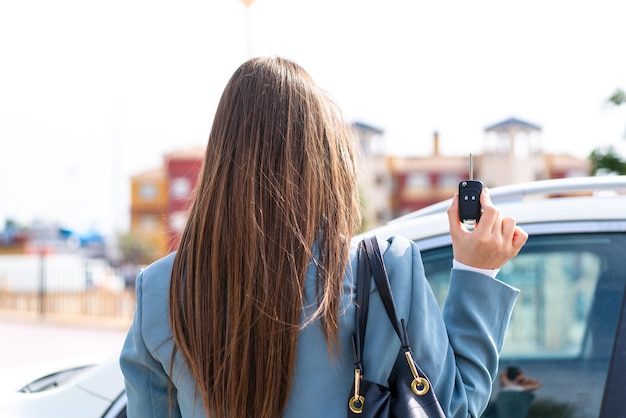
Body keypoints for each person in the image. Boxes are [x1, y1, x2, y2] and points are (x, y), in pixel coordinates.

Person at [119, 56, 528, 418]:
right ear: (325, 158)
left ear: (222, 161)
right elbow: (452, 408)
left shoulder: (160, 288)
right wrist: (474, 271)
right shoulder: (385, 269)